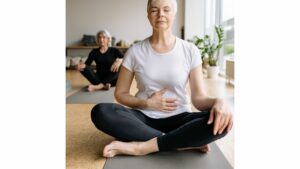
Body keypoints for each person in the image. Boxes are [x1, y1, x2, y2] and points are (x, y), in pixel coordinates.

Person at [91, 0, 233, 158]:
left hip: (180, 117)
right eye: (154, 10)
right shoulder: (134, 51)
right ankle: (179, 142)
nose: (161, 14)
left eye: (166, 9)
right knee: (101, 111)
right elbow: (120, 94)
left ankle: (142, 147)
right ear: (148, 15)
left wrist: (218, 102)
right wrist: (146, 103)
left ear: (174, 13)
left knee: (223, 121)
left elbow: (198, 99)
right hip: (143, 118)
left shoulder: (190, 50)